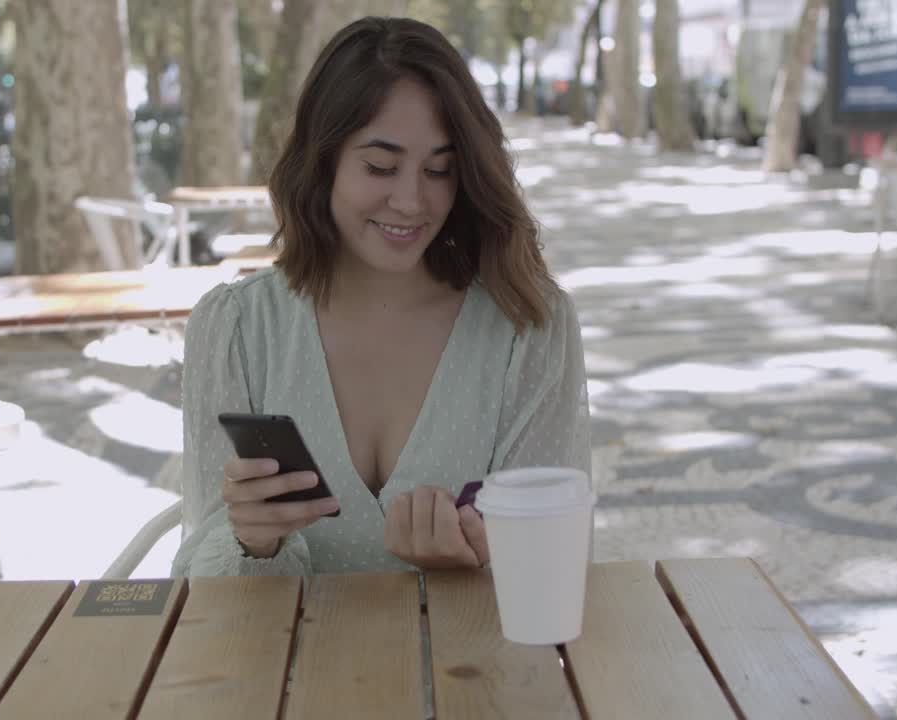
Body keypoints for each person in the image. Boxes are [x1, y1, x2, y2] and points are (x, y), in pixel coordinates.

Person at [170, 16, 590, 577]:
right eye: (380, 166)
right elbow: (202, 594)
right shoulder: (237, 330)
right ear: (324, 165)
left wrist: (470, 566)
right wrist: (253, 543)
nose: (412, 201)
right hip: (284, 665)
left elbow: (556, 573)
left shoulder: (528, 328)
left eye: (440, 170)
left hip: (472, 665)